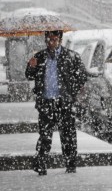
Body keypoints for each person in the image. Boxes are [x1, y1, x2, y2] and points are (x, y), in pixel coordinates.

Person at [25, 30, 87, 175]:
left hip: (64, 102)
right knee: (45, 135)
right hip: (46, 102)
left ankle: (70, 165)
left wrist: (70, 93)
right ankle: (41, 165)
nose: (51, 42)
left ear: (60, 39)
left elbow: (82, 76)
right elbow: (28, 76)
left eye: (54, 39)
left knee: (68, 135)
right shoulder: (39, 56)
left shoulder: (71, 56)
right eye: (48, 39)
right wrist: (31, 66)